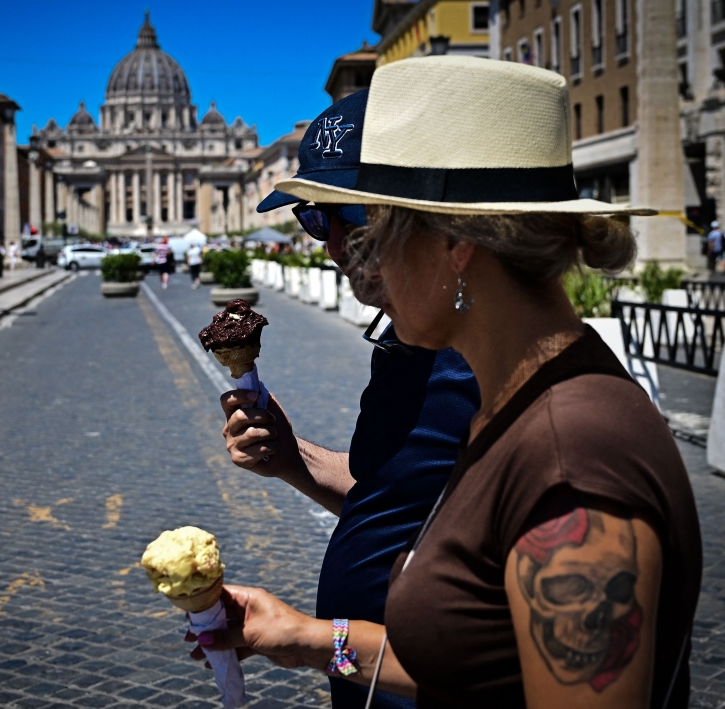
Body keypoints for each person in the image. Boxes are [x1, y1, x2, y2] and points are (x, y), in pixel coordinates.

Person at [191, 57, 701, 709]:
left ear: (455, 242)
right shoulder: (518, 396)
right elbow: (468, 671)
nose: (346, 253)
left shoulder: (574, 460)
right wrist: (306, 640)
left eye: (376, 228)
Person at [212, 90, 479, 709]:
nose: (329, 245)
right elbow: (398, 502)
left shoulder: (524, 402)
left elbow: (509, 673)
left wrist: (310, 642)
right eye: (313, 219)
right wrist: (292, 458)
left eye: (347, 217)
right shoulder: (406, 345)